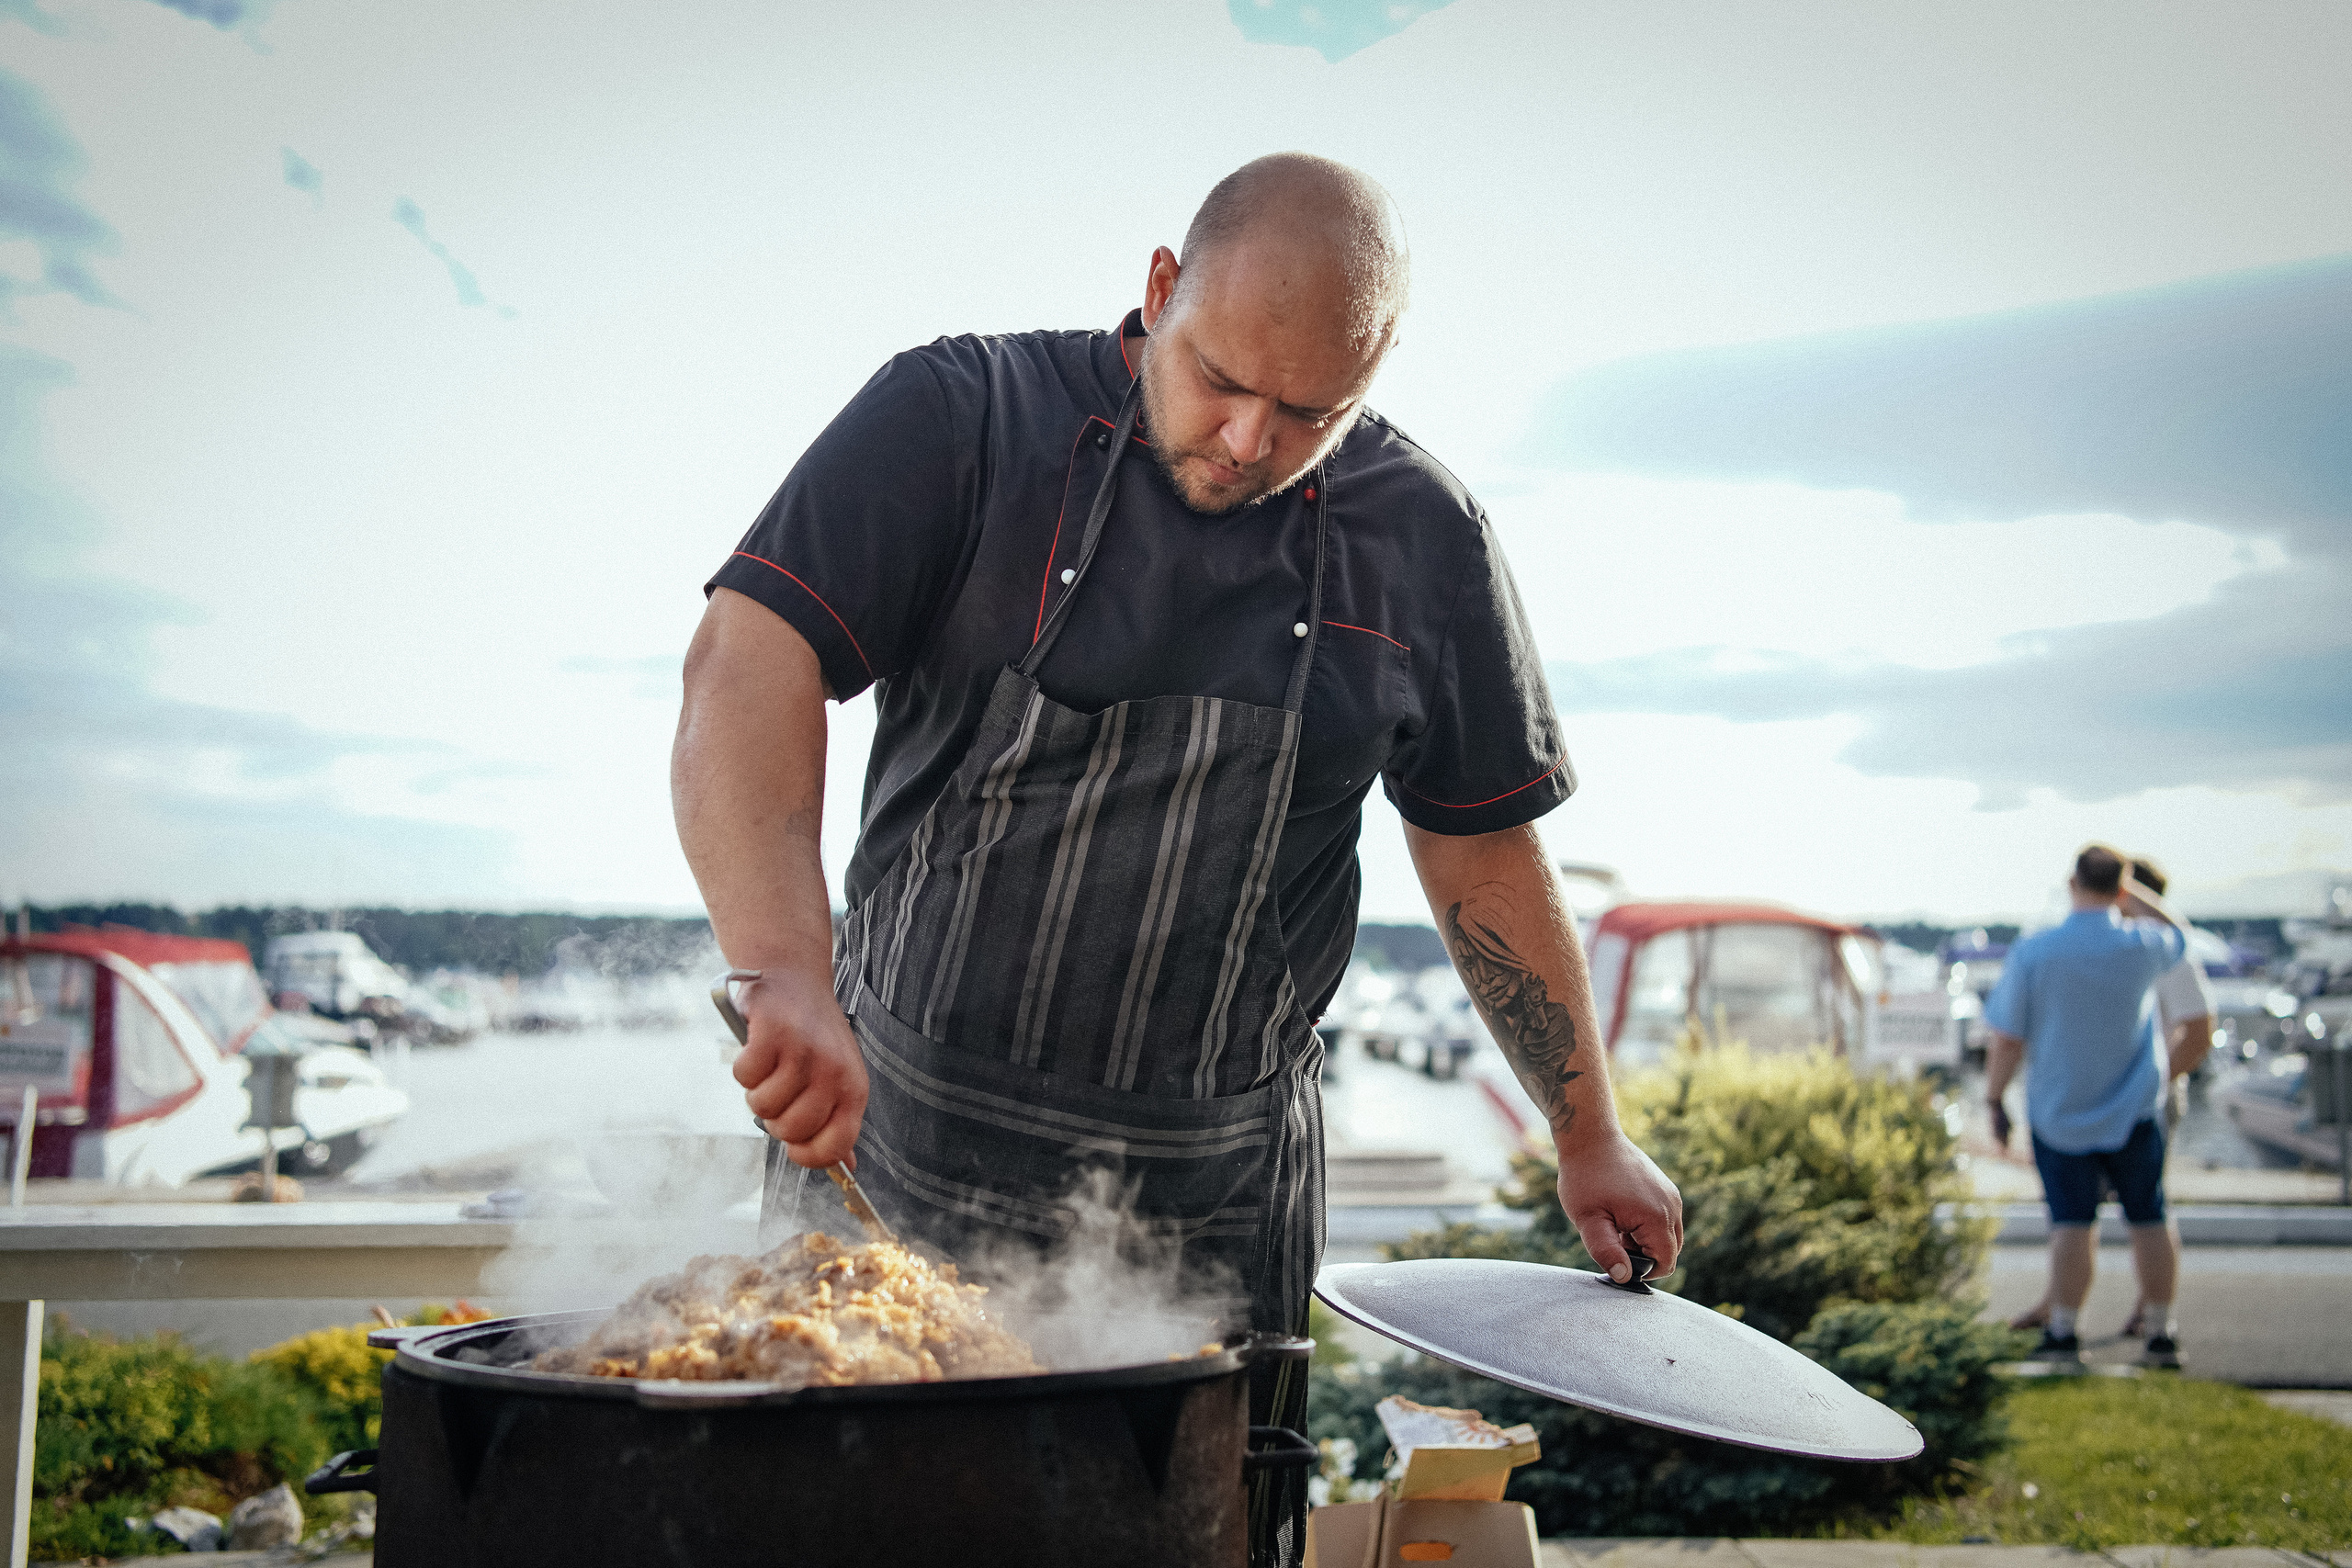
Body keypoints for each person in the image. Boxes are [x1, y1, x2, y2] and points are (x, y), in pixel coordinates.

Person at [671, 153, 1683, 1564]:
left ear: (1374, 375)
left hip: (1208, 1214)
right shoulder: (963, 416)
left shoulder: (1424, 537)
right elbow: (747, 659)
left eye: (1309, 411)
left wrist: (1587, 1131)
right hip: (891, 1161)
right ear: (1159, 289)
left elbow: (1481, 851)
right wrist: (782, 961)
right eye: (1220, 378)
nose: (1251, 439)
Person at [1983, 843, 2189, 1369]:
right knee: (2149, 1218)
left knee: (2071, 1224)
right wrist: (2134, 893)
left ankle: (2064, 1331)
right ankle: (2161, 1332)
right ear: (2121, 891)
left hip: (2059, 1113)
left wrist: (1994, 1099)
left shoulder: (2035, 951)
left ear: (2072, 884)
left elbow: (2007, 1039)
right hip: (2134, 1111)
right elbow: (2180, 933)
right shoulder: (2144, 945)